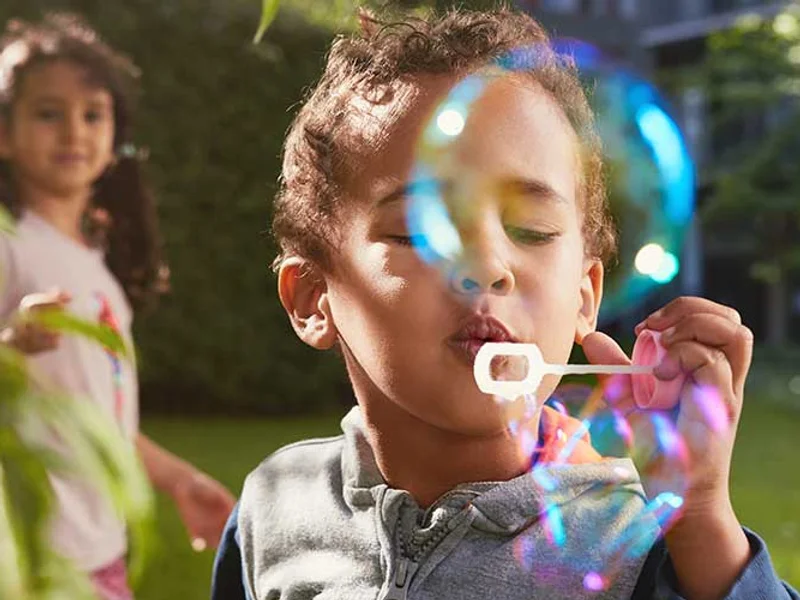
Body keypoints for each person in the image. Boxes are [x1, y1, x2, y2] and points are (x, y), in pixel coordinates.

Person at [211, 7, 799, 600]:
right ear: (314, 297)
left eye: (534, 230)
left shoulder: (639, 553)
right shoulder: (275, 506)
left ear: (584, 298)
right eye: (420, 232)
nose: (487, 266)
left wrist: (698, 516)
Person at [0, 13, 236, 600]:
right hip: (31, 560)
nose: (73, 132)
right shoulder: (9, 246)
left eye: (92, 114)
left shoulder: (92, 258)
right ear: (3, 133)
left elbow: (98, 416)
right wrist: (9, 347)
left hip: (100, 550)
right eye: (48, 113)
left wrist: (178, 480)